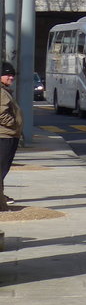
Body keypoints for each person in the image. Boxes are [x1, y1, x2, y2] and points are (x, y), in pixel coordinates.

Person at [0, 62, 23, 209]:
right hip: (5, 136)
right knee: (1, 168)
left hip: (8, 135)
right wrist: (14, 124)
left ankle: (1, 197)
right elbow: (1, 113)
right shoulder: (1, 92)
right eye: (7, 74)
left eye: (13, 74)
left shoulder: (4, 91)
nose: (11, 77)